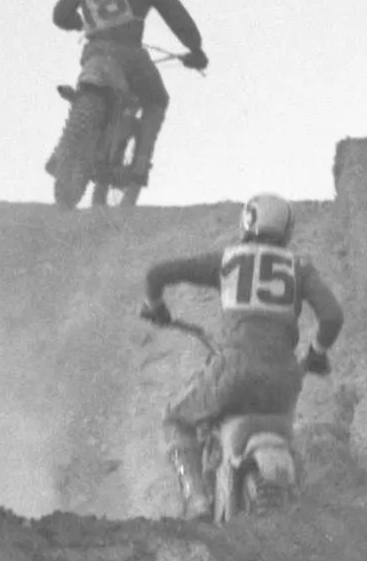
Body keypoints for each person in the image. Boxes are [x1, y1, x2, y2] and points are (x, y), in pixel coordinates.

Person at [141, 194, 344, 519]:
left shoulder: (228, 260)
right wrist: (316, 353)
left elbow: (156, 275)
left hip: (232, 371)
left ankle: (196, 498)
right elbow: (332, 316)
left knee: (176, 419)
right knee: (292, 437)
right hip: (284, 379)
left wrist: (157, 307)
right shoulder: (300, 268)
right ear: (287, 230)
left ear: (247, 222)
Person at [51, 0, 208, 190]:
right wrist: (195, 49)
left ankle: (64, 152)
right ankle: (140, 165)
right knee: (157, 99)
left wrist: (77, 23)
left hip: (94, 54)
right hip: (129, 55)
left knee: (82, 90)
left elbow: (59, 15)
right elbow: (178, 19)